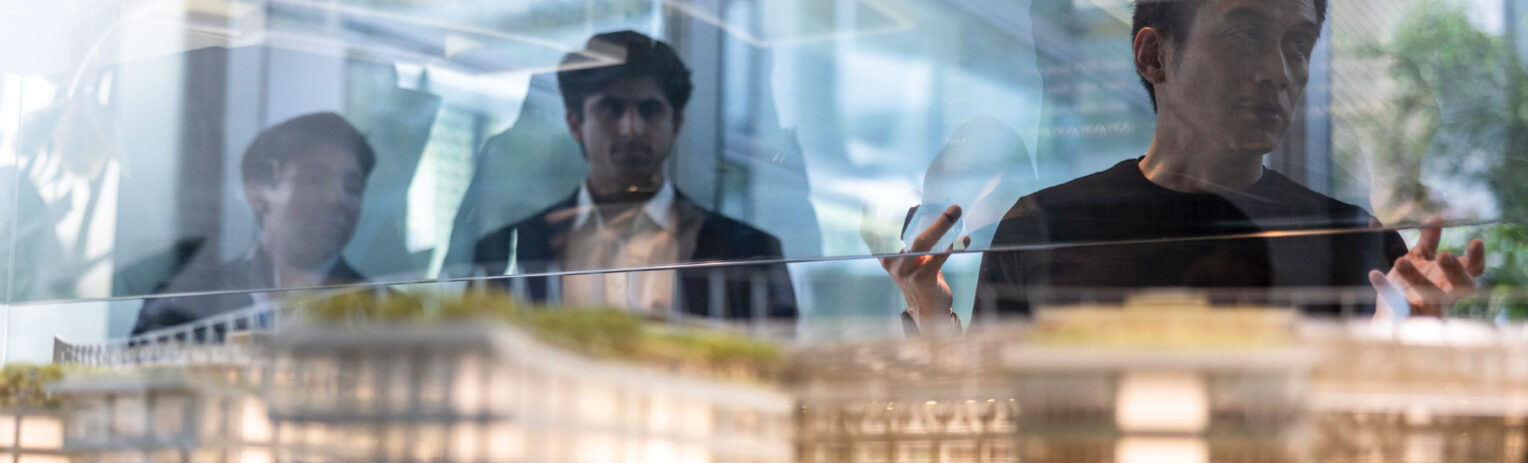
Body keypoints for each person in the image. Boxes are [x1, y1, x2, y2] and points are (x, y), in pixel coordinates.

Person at [884, 0, 1487, 334]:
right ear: (1154, 56)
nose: (1278, 71)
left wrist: (1413, 337)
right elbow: (994, 416)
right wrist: (928, 310)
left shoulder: (1357, 243)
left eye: (1297, 45)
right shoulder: (1044, 224)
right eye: (1245, 35)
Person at [468, 31, 798, 320]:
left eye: (649, 109)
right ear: (575, 123)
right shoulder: (505, 250)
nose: (631, 128)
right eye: (611, 109)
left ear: (677, 124)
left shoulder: (751, 252)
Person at [132, 112, 374, 335]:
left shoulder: (385, 310)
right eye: (313, 179)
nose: (337, 198)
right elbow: (139, 373)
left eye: (353, 188)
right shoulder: (188, 299)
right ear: (256, 192)